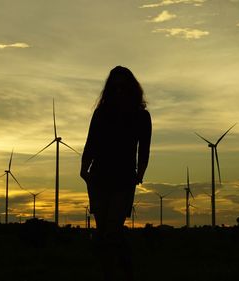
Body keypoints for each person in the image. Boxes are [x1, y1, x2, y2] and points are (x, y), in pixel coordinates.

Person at [80, 66, 152, 281]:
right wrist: (84, 169)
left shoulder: (141, 116)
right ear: (109, 89)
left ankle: (125, 272)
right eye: (115, 87)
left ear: (132, 89)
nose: (119, 91)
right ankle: (112, 273)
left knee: (113, 228)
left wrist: (141, 172)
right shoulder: (101, 113)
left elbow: (144, 148)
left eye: (123, 87)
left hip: (124, 177)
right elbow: (90, 142)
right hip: (99, 175)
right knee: (104, 231)